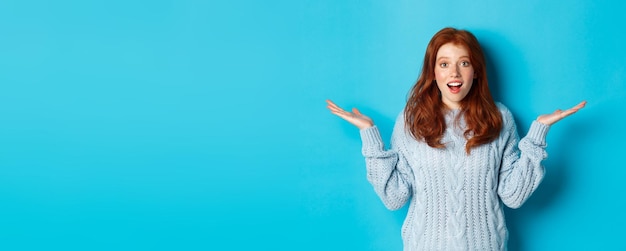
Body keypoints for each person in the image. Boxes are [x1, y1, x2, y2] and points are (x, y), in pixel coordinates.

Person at [325, 27, 585, 251]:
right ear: (433, 72)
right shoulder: (411, 119)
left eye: (464, 62)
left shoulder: (499, 118)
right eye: (444, 64)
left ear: (476, 71)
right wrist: (369, 135)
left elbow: (513, 196)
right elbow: (394, 197)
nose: (455, 73)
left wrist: (538, 132)